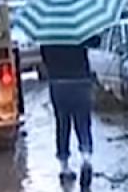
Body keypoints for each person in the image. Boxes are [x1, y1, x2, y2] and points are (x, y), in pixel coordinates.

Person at [39, 41, 95, 182]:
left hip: (58, 84)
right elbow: (94, 41)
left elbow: (45, 58)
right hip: (81, 81)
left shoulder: (49, 34)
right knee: (83, 122)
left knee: (62, 124)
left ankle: (64, 167)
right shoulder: (78, 30)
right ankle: (86, 158)